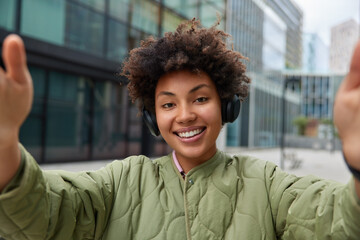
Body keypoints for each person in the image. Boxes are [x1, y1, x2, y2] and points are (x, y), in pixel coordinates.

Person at [0, 19, 359, 240]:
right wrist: (4, 145)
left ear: (227, 105)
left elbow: (336, 220)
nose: (184, 115)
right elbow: (46, 214)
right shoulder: (123, 180)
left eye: (200, 98)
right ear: (152, 118)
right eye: (168, 104)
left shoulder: (266, 183)